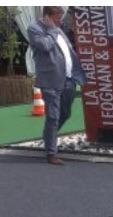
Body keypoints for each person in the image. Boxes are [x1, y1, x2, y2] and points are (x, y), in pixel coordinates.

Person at [27, 6, 86, 166]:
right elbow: (45, 45)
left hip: (68, 79)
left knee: (65, 113)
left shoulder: (58, 28)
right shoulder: (35, 29)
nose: (60, 21)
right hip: (50, 80)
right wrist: (52, 30)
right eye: (57, 17)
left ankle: (48, 137)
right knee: (53, 116)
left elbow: (68, 51)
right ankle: (51, 153)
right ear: (47, 16)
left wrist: (77, 74)